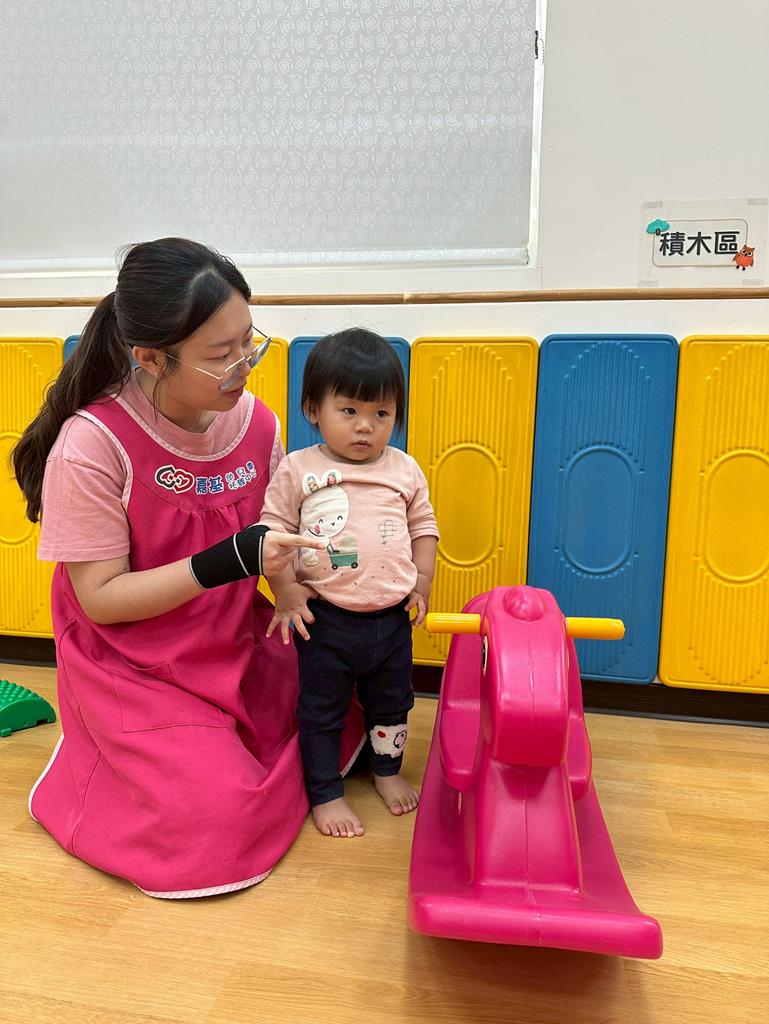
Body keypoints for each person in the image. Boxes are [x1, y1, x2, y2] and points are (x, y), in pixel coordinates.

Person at [11, 238, 363, 898]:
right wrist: (227, 561)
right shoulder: (91, 446)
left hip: (230, 641)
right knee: (215, 823)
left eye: (248, 341)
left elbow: (275, 541)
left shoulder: (255, 423)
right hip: (133, 665)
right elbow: (101, 598)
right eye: (220, 354)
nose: (244, 365)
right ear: (150, 356)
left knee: (350, 695)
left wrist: (319, 577)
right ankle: (87, 765)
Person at [258, 328, 439, 839]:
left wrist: (422, 581)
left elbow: (424, 527)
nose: (366, 426)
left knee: (393, 703)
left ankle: (386, 771)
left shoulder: (403, 469)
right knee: (321, 711)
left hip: (391, 619)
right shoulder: (299, 468)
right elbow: (272, 534)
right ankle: (325, 792)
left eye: (382, 413)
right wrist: (285, 590)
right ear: (313, 409)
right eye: (349, 410)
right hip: (326, 619)